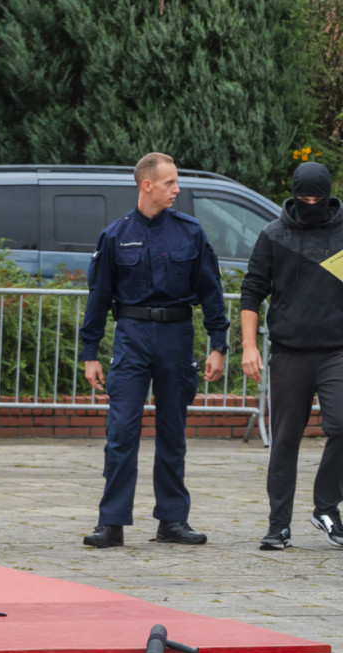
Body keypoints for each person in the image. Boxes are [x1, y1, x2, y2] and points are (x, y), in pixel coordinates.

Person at [78, 152, 229, 548]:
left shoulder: (190, 232)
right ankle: (111, 523)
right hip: (131, 335)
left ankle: (173, 521)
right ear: (147, 185)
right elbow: (99, 296)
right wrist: (89, 352)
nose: (177, 189)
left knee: (172, 432)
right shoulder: (115, 235)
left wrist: (219, 344)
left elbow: (212, 291)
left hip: (177, 336)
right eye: (169, 183)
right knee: (121, 431)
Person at [240, 161, 343, 551]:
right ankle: (278, 525)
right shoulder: (274, 235)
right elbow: (252, 291)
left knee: (342, 423)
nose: (311, 203)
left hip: (336, 349)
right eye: (304, 198)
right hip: (289, 352)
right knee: (284, 440)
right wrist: (250, 346)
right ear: (295, 194)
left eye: (318, 197)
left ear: (329, 193)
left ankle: (326, 506)